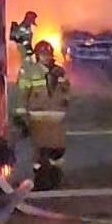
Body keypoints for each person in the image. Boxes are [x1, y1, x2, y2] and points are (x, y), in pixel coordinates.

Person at [15, 40, 70, 189]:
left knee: (57, 149)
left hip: (56, 117)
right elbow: (23, 92)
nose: (45, 57)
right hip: (38, 116)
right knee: (41, 151)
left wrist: (64, 100)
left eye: (47, 54)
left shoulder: (59, 70)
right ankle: (42, 179)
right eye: (42, 54)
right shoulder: (30, 71)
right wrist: (20, 114)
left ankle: (55, 176)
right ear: (37, 55)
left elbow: (65, 91)